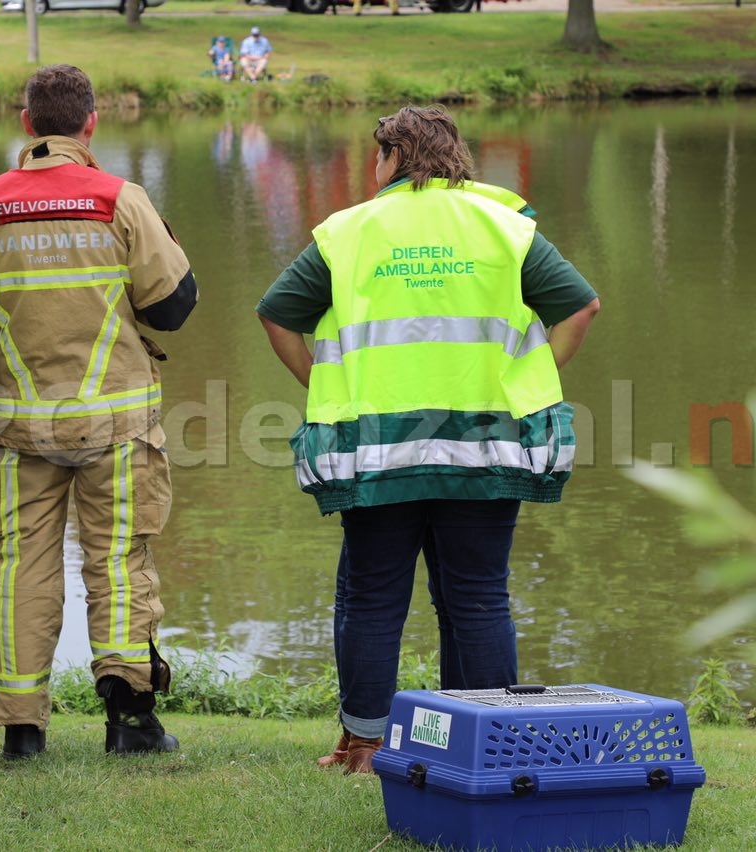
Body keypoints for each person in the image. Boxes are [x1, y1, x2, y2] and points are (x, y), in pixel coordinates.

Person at [256, 105, 600, 775]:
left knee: (372, 593)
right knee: (477, 595)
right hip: (487, 442)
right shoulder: (505, 225)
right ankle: (488, 746)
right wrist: (524, 378)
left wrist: (327, 383)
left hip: (376, 450)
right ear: (454, 156)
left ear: (389, 159)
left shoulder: (347, 232)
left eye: (375, 159)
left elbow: (276, 314)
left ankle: (363, 745)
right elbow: (580, 306)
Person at [0, 64, 197, 759]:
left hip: (15, 424)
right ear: (91, 124)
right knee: (117, 562)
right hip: (116, 423)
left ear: (27, 124)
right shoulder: (120, 199)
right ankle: (130, 722)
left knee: (21, 564)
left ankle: (22, 731)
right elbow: (174, 308)